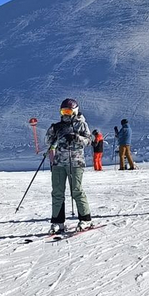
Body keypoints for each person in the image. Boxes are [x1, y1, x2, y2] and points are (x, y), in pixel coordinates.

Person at [46, 98, 93, 231]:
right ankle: (57, 222)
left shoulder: (81, 125)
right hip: (59, 163)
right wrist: (51, 132)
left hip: (75, 162)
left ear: (74, 111)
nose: (65, 114)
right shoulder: (58, 126)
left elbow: (90, 141)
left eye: (68, 111)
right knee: (57, 192)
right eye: (63, 111)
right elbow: (48, 142)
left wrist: (77, 138)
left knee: (76, 191)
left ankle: (85, 219)